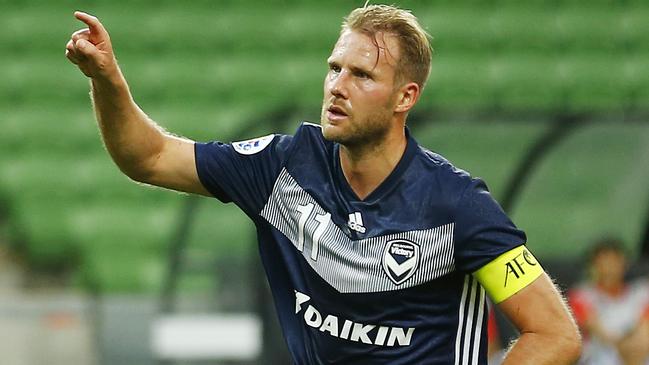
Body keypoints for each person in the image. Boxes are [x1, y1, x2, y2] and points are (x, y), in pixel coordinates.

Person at [65, 4, 581, 364]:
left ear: (405, 97)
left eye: (361, 75)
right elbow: (149, 157)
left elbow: (554, 333)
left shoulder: (457, 205)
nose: (337, 86)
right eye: (334, 68)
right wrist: (107, 81)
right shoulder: (282, 169)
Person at [569, 237, 649, 365]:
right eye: (603, 261)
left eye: (614, 260)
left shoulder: (642, 292)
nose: (609, 267)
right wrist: (627, 347)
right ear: (593, 265)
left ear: (624, 263)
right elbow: (600, 332)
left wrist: (636, 347)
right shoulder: (582, 296)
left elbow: (645, 330)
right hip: (601, 358)